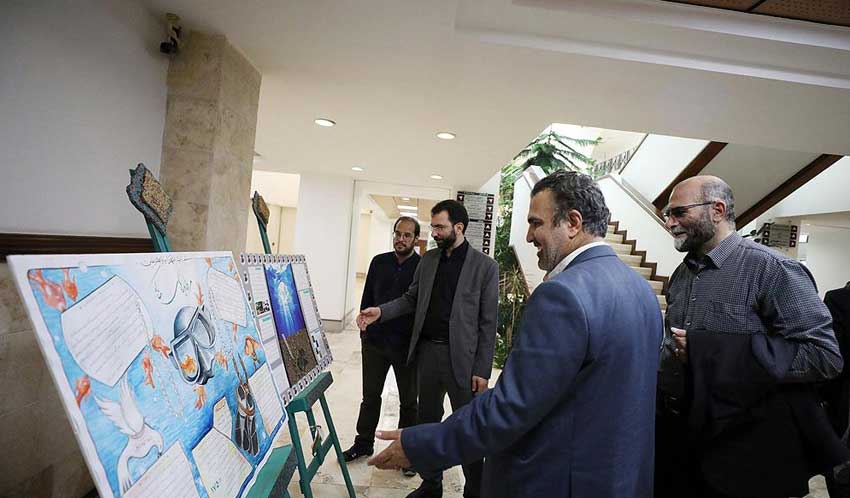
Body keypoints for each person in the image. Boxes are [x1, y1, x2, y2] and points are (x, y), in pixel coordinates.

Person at [366, 171, 662, 498]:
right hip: (615, 477)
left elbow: (511, 406)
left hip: (560, 479)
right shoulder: (641, 290)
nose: (529, 236)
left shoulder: (562, 294)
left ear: (573, 222)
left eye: (536, 223)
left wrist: (421, 444)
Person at [659, 175, 844, 498]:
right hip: (686, 445)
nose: (670, 223)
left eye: (679, 212)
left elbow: (824, 356)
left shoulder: (772, 269)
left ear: (717, 210)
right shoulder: (682, 274)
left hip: (746, 456)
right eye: (667, 214)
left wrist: (713, 351)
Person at [357, 199, 498, 498]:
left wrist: (482, 370)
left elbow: (488, 323)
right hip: (428, 355)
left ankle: (475, 490)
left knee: (468, 427)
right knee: (427, 422)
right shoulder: (429, 260)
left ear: (458, 227)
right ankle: (431, 485)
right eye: (433, 227)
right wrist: (380, 312)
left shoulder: (485, 267)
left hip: (463, 361)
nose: (433, 233)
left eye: (439, 227)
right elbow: (410, 299)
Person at [342, 216, 421, 478]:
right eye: (398, 233)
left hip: (405, 348)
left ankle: (406, 452)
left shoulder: (421, 267)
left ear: (415, 239)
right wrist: (364, 328)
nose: (401, 239)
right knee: (370, 397)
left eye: (407, 235)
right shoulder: (379, 262)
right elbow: (367, 297)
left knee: (409, 402)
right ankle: (363, 443)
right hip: (375, 344)